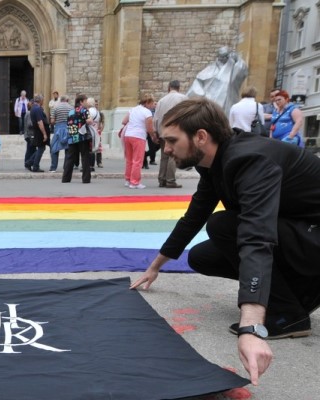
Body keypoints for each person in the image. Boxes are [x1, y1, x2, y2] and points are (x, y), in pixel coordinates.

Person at [129, 97, 320, 386]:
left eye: (171, 140)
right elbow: (193, 217)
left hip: (312, 235)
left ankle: (289, 315)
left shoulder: (250, 159)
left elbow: (257, 236)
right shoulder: (212, 163)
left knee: (225, 225)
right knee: (201, 256)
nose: (166, 149)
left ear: (201, 137)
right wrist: (155, 266)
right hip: (300, 234)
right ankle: (299, 292)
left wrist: (252, 327)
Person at [186, 46, 248, 115]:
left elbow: (242, 69)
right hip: (208, 105)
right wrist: (202, 95)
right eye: (221, 56)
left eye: (225, 56)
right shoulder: (210, 68)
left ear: (229, 56)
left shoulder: (233, 69)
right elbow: (197, 83)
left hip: (226, 105)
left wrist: (237, 58)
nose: (222, 58)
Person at [153, 80, 187, 188]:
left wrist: (155, 132)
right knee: (173, 155)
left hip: (163, 131)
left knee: (164, 156)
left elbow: (156, 118)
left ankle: (162, 179)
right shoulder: (183, 98)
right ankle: (170, 180)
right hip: (176, 130)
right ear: (179, 87)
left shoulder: (162, 100)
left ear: (169, 87)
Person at [121, 94, 157, 189]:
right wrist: (153, 136)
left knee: (129, 159)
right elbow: (150, 128)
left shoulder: (133, 109)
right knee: (137, 161)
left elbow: (124, 121)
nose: (153, 105)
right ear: (148, 102)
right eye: (152, 103)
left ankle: (128, 180)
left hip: (128, 135)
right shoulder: (147, 112)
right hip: (139, 136)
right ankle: (135, 182)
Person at [62, 94, 93, 183]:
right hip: (82, 136)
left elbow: (68, 123)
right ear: (81, 102)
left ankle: (66, 178)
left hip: (72, 137)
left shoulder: (71, 112)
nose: (87, 103)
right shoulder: (84, 110)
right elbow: (89, 120)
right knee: (85, 157)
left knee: (70, 158)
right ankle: (86, 179)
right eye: (85, 101)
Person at [49, 95, 73, 172]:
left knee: (54, 148)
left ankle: (53, 167)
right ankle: (66, 167)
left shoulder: (55, 108)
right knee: (68, 149)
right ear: (67, 100)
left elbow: (52, 121)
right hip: (68, 128)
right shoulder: (71, 108)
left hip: (58, 129)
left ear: (60, 100)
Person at [27, 94, 49, 173]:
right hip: (39, 131)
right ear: (40, 100)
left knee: (41, 148)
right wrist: (44, 134)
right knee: (41, 148)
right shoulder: (37, 109)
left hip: (37, 131)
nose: (43, 101)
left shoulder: (34, 108)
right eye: (43, 100)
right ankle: (35, 166)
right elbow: (40, 122)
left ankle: (29, 162)